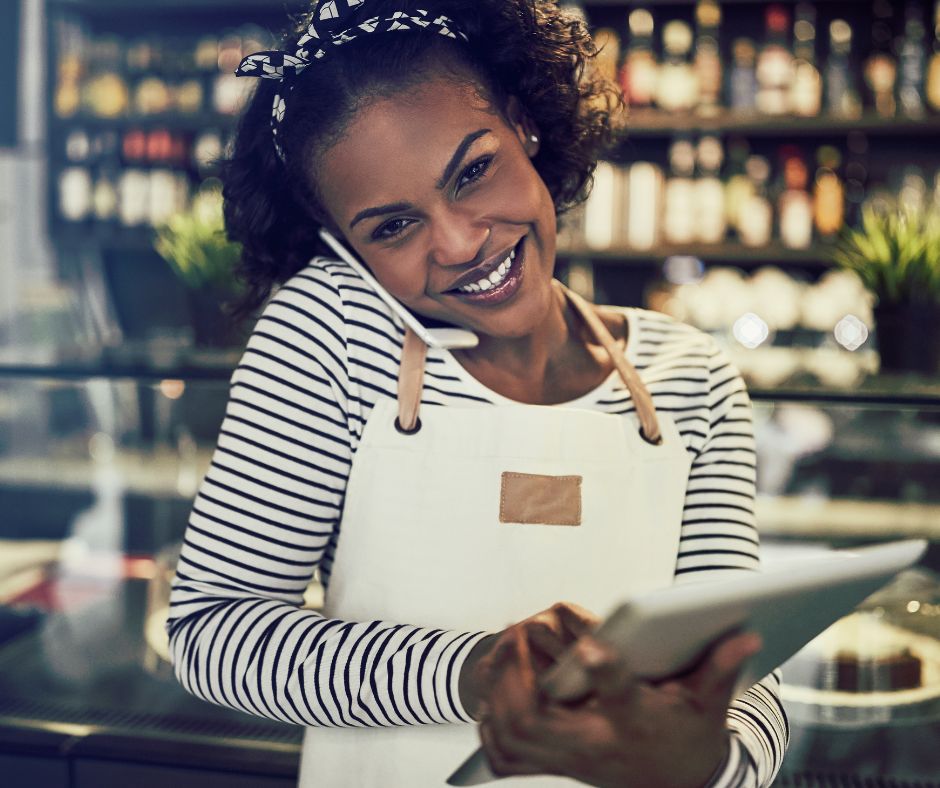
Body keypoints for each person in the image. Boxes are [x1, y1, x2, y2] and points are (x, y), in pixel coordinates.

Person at [166, 1, 788, 786]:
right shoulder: (334, 334)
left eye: (473, 170)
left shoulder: (689, 376)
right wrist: (474, 673)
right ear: (340, 247)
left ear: (524, 125)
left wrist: (710, 765)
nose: (459, 243)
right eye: (392, 228)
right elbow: (214, 634)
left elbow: (749, 675)